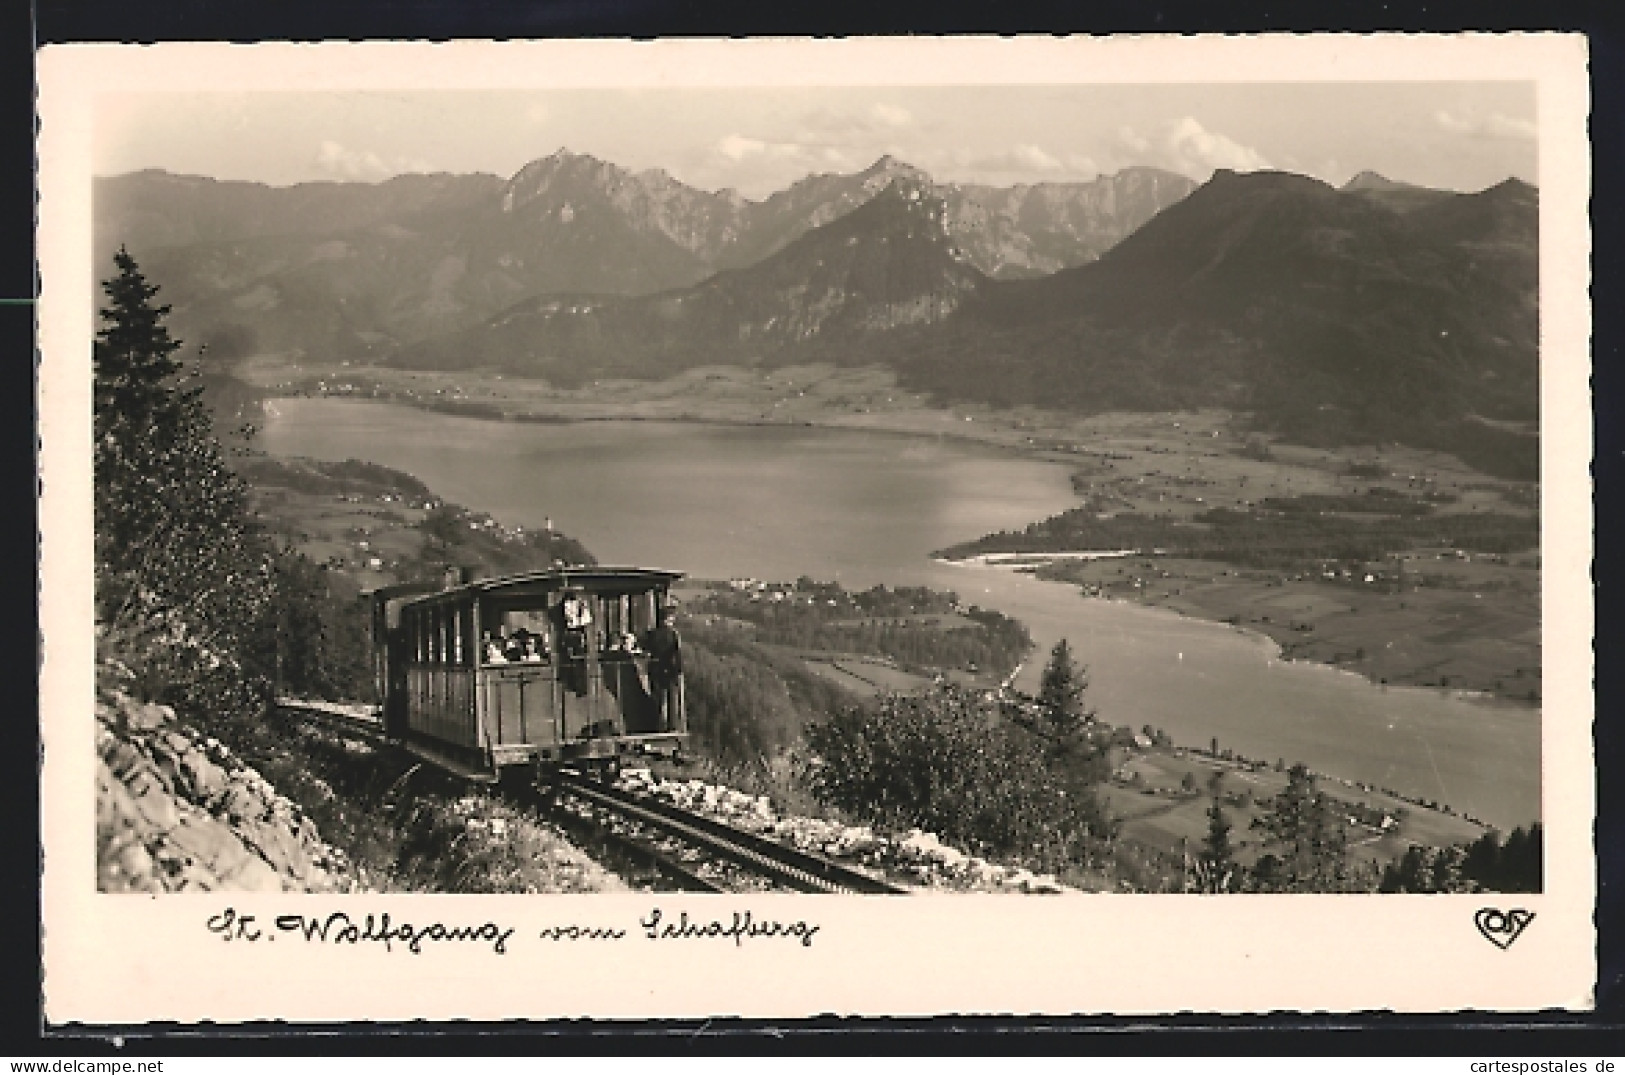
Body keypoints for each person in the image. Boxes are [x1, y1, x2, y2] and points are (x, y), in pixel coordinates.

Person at [643, 603, 683, 731]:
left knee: (658, 697)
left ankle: (657, 724)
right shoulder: (673, 635)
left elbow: (646, 649)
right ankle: (672, 726)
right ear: (669, 618)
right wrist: (678, 670)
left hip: (655, 668)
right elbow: (677, 654)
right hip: (670, 669)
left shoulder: (652, 634)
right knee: (672, 698)